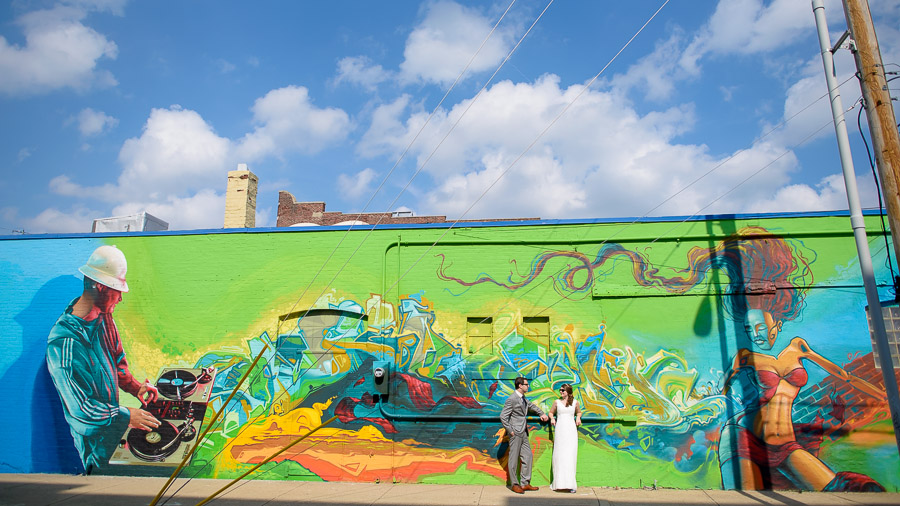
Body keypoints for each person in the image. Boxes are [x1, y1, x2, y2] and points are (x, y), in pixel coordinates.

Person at [46, 245, 160, 473]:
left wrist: (136, 387)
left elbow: (118, 365)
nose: (120, 298)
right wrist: (128, 416)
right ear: (99, 286)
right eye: (117, 290)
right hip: (95, 449)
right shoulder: (64, 344)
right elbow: (82, 410)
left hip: (115, 430)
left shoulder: (105, 319)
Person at [499, 376, 548, 494]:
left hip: (524, 432)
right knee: (513, 458)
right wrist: (510, 431)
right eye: (526, 384)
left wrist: (541, 413)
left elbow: (531, 406)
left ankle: (525, 483)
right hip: (515, 433)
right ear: (520, 386)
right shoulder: (512, 399)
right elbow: (503, 416)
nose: (528, 386)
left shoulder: (523, 398)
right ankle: (515, 484)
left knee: (527, 457)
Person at [549, 383, 582, 492]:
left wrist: (578, 418)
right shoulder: (557, 402)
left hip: (571, 430)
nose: (561, 392)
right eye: (560, 390)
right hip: (560, 430)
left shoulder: (575, 403)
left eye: (563, 390)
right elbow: (550, 412)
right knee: (559, 455)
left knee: (570, 455)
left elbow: (579, 412)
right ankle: (558, 483)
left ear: (568, 391)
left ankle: (570, 484)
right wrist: (552, 419)